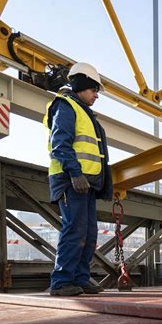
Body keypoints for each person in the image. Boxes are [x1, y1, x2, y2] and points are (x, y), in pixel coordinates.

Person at [44, 63, 113, 296]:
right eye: (94, 90)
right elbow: (60, 144)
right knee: (74, 228)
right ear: (82, 86)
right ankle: (62, 281)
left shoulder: (85, 113)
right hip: (71, 179)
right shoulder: (66, 106)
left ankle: (81, 278)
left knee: (89, 232)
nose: (96, 95)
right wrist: (75, 173)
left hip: (87, 183)